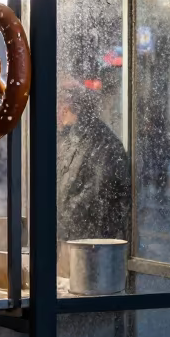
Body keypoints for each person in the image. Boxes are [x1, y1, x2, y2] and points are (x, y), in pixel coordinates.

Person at [57, 76, 130, 266]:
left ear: (69, 107)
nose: (57, 113)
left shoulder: (102, 143)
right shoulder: (70, 138)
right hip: (73, 243)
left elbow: (98, 199)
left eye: (60, 106)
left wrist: (60, 223)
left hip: (92, 249)